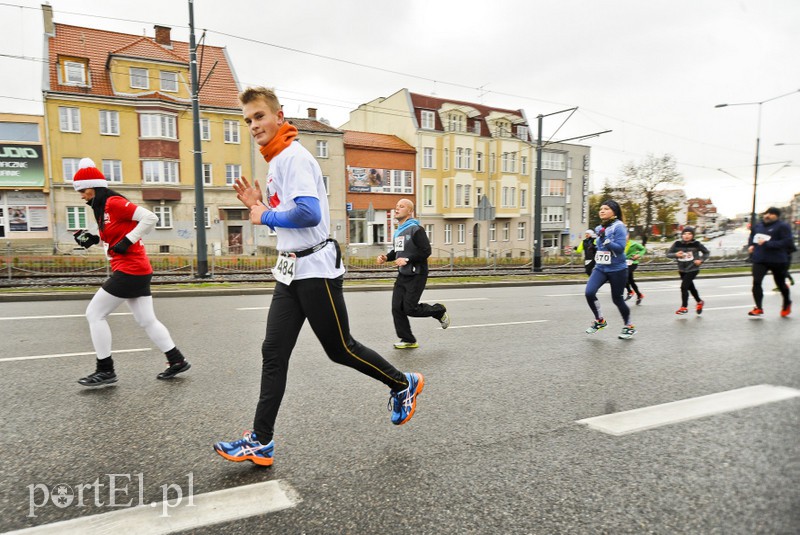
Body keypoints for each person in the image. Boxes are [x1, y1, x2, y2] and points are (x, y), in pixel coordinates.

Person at [213, 87, 424, 467]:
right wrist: (262, 206)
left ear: (279, 116)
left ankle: (401, 383)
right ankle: (261, 440)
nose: (253, 126)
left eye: (259, 117)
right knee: (272, 352)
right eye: (247, 121)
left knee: (339, 347)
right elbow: (291, 213)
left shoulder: (293, 157)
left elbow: (309, 214)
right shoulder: (277, 159)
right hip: (290, 269)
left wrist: (264, 215)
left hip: (315, 268)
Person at [70, 158, 191, 386]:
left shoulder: (113, 202)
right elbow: (112, 242)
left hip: (130, 269)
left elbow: (150, 217)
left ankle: (105, 370)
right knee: (147, 320)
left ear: (94, 187)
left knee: (94, 314)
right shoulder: (102, 210)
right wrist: (93, 240)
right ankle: (177, 360)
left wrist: (128, 240)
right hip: (136, 269)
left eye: (84, 191)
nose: (82, 196)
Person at [377, 199, 449, 349]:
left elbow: (426, 251)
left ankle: (439, 311)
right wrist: (386, 257)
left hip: (417, 274)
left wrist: (408, 259)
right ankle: (408, 339)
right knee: (397, 308)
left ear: (410, 211)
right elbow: (397, 252)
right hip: (403, 274)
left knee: (410, 309)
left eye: (401, 207)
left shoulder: (416, 229)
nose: (397, 209)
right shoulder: (399, 231)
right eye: (396, 206)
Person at [584, 200, 636, 339]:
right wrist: (594, 247)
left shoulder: (619, 227)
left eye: (606, 208)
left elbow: (619, 249)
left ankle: (629, 326)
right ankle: (600, 321)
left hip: (617, 269)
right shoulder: (600, 227)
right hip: (601, 267)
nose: (602, 211)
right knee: (589, 292)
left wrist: (606, 240)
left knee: (617, 299)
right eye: (601, 208)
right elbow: (601, 246)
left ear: (614, 211)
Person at [747, 207, 793, 317]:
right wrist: (751, 245)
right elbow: (752, 237)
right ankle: (758, 308)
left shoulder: (783, 226)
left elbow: (787, 242)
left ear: (777, 216)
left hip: (777, 259)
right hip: (760, 259)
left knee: (780, 284)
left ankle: (787, 303)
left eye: (771, 214)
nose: (767, 215)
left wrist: (768, 243)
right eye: (766, 213)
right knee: (756, 282)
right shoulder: (758, 225)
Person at [666, 227, 710, 315]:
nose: (687, 236)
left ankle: (684, 307)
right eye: (685, 233)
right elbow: (668, 254)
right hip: (682, 270)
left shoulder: (696, 244)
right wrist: (676, 254)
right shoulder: (677, 244)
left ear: (693, 235)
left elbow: (706, 252)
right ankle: (699, 301)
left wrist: (701, 260)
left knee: (684, 287)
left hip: (693, 269)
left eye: (689, 234)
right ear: (682, 235)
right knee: (691, 288)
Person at [624, 234, 646, 305]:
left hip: (632, 263)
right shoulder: (620, 243)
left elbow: (643, 249)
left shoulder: (634, 244)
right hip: (624, 263)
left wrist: (638, 255)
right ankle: (639, 295)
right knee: (631, 281)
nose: (624, 237)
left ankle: (630, 292)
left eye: (625, 235)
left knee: (624, 277)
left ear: (628, 235)